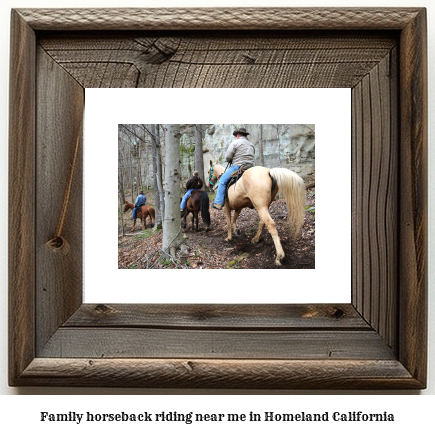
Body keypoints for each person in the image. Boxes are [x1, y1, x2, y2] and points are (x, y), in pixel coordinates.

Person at [212, 127, 255, 210]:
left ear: (238, 135)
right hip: (250, 167)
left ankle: (218, 203)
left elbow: (228, 157)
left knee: (222, 181)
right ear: (245, 135)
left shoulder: (235, 142)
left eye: (236, 135)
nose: (236, 136)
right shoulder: (251, 144)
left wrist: (230, 159)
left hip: (238, 166)